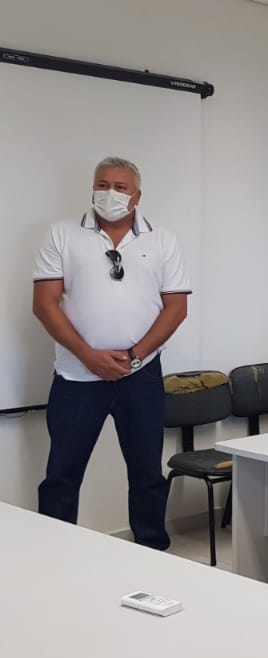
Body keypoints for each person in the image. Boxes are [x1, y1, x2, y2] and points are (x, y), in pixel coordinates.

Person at [32, 157, 190, 550]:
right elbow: (45, 305)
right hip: (76, 376)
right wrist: (88, 356)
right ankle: (53, 555)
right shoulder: (62, 234)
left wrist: (134, 357)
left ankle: (152, 553)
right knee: (62, 475)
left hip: (142, 375)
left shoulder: (162, 239)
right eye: (102, 185)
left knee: (147, 475)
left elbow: (176, 308)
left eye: (120, 187)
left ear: (137, 196)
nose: (110, 193)